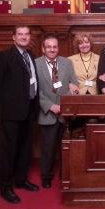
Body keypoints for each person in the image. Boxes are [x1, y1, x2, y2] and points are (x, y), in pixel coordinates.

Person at [0, 25, 40, 204]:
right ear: (13, 37)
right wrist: (5, 106)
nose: (24, 37)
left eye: (27, 34)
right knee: (8, 152)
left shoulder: (30, 55)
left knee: (24, 149)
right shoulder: (6, 56)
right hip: (11, 114)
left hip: (29, 111)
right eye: (20, 34)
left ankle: (20, 180)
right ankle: (5, 188)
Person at [35, 33, 79, 189]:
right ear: (43, 49)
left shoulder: (67, 63)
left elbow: (74, 84)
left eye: (54, 47)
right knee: (47, 148)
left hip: (65, 113)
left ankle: (64, 174)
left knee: (65, 147)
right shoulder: (35, 64)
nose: (52, 49)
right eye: (49, 47)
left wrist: (65, 103)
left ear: (58, 48)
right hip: (47, 113)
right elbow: (35, 91)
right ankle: (46, 176)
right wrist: (50, 106)